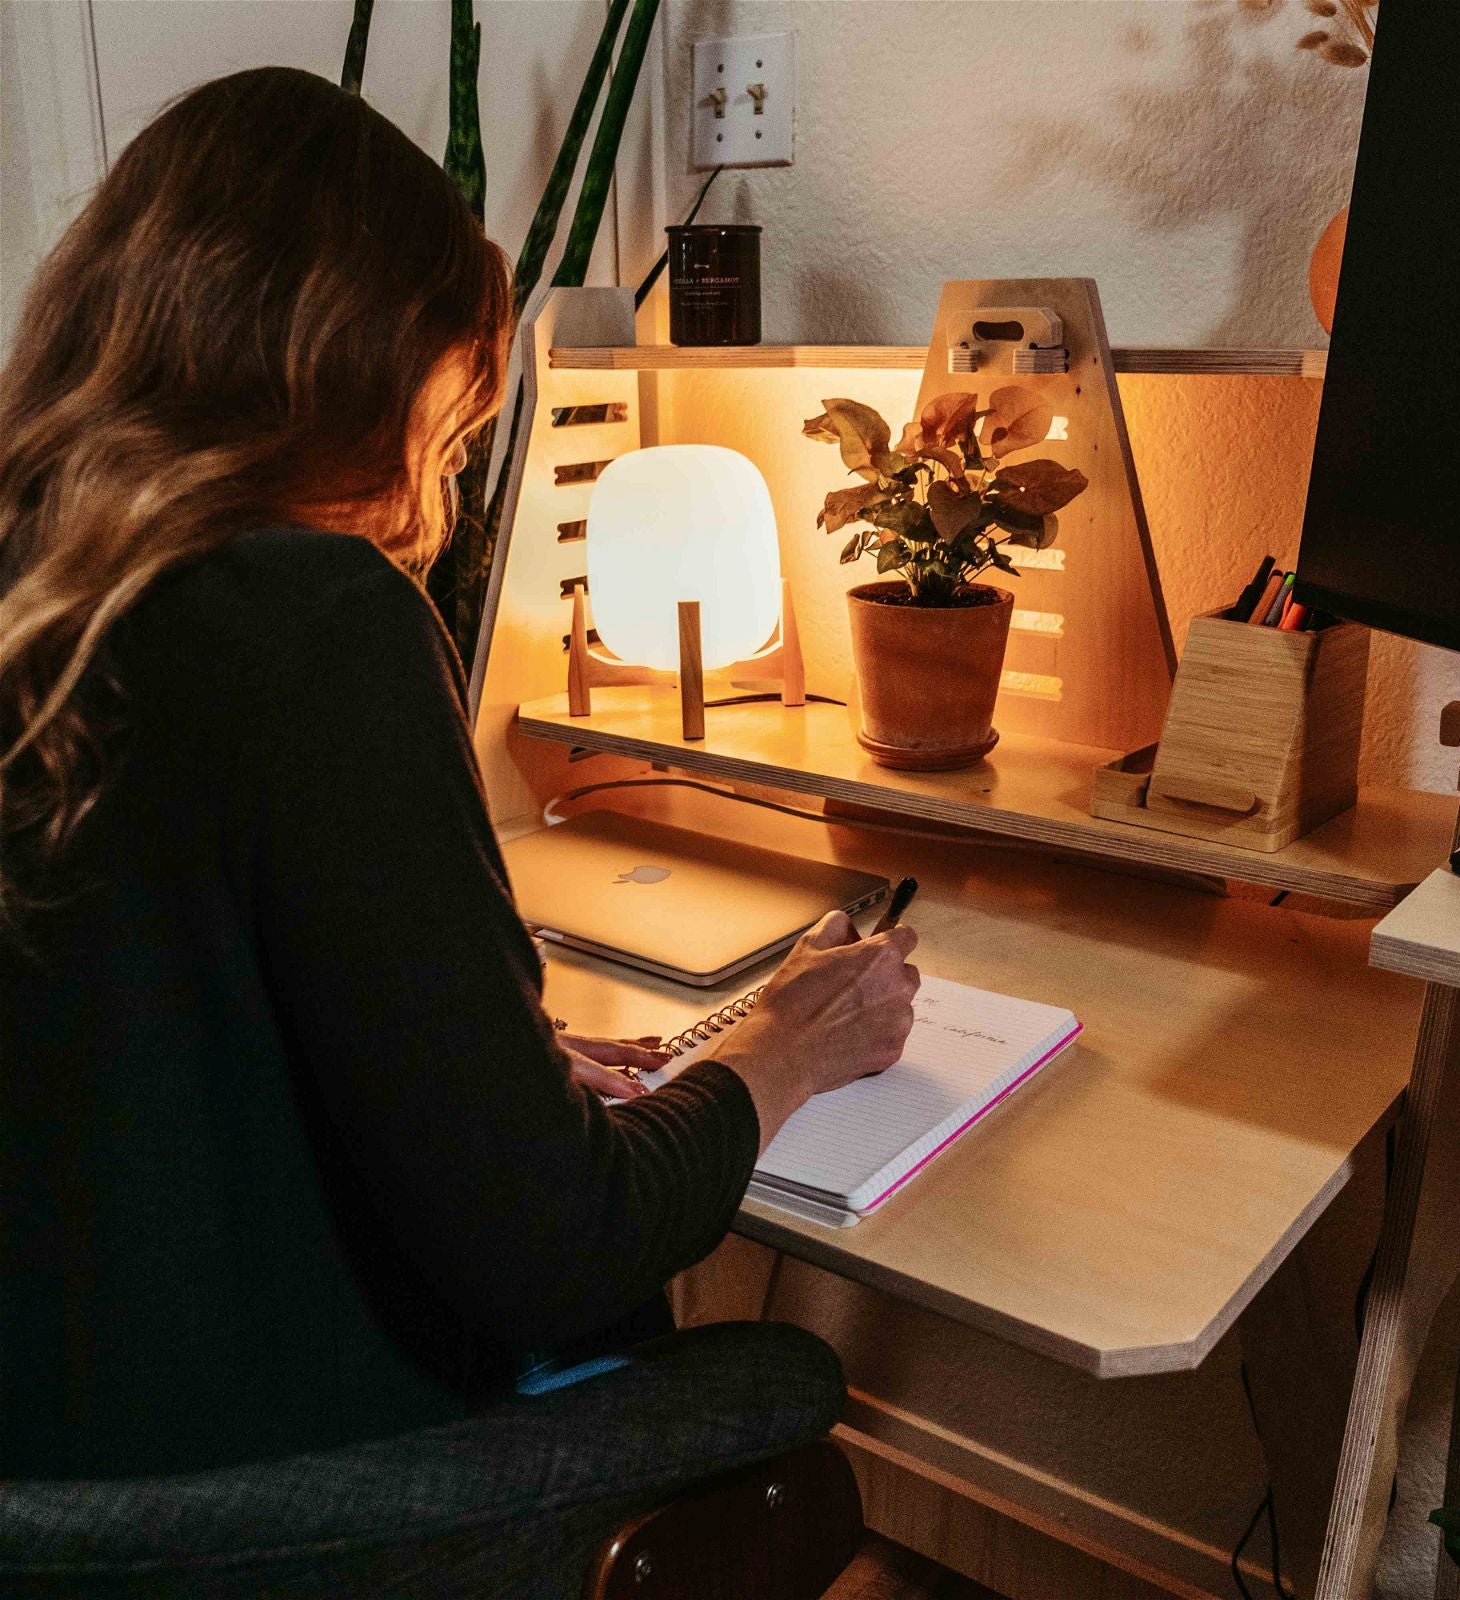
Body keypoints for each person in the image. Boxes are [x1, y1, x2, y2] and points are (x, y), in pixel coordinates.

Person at [0, 66, 920, 1597]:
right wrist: (785, 1048)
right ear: (365, 366)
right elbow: (557, 1246)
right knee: (783, 1388)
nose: (440, 472)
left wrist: (468, 1063)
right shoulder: (312, 615)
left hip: (56, 1460)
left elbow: (130, 1022)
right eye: (448, 415)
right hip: (253, 1501)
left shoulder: (46, 590)